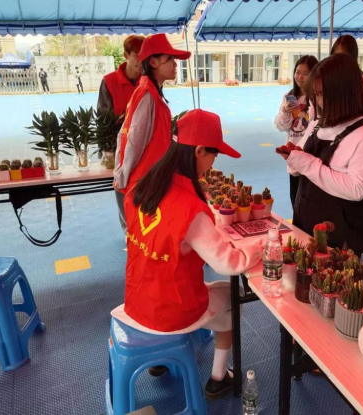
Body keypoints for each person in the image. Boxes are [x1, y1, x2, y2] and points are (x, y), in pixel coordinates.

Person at [111, 109, 263, 399]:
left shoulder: (145, 186)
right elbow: (229, 263)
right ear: (199, 151)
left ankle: (159, 361)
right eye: (214, 155)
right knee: (230, 298)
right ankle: (219, 377)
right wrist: (259, 248)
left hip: (138, 300)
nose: (213, 163)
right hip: (170, 311)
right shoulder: (188, 208)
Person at [278, 53, 363, 256]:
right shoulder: (317, 124)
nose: (318, 102)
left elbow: (357, 189)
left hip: (341, 241)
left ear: (345, 93)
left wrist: (306, 163)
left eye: (322, 94)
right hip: (304, 228)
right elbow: (295, 170)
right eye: (316, 94)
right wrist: (293, 159)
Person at [113, 34, 190, 235]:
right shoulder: (147, 94)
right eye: (170, 59)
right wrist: (121, 176)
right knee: (147, 242)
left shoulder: (149, 92)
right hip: (143, 186)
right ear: (153, 62)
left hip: (149, 183)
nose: (175, 64)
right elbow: (133, 141)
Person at [274, 55, 319, 208]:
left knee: (311, 203)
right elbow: (281, 126)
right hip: (293, 155)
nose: (300, 77)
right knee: (296, 201)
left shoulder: (318, 97)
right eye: (298, 72)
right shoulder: (290, 97)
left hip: (312, 154)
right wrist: (285, 112)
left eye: (305, 74)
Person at [330, 35, 363, 127]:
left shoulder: (362, 82)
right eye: (336, 55)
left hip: (355, 131)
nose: (338, 60)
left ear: (353, 56)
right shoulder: (331, 79)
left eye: (344, 56)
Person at [97, 35, 145, 116]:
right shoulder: (109, 81)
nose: (141, 60)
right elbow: (103, 118)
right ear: (126, 55)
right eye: (137, 55)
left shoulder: (150, 80)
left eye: (144, 55)